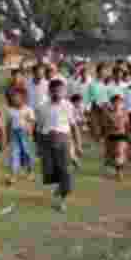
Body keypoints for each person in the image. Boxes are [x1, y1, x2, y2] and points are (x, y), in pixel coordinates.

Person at [35, 80, 76, 212]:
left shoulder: (68, 105)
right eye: (55, 90)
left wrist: (77, 145)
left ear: (64, 91)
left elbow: (73, 126)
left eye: (61, 90)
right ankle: (60, 187)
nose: (58, 93)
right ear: (50, 91)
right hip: (47, 141)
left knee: (64, 170)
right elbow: (39, 127)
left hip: (63, 140)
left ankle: (63, 200)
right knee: (49, 171)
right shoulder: (42, 107)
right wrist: (38, 146)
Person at [5, 89, 35, 183]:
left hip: (25, 134)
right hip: (14, 134)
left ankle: (30, 172)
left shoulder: (28, 109)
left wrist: (30, 130)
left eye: (17, 97)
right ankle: (13, 175)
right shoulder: (10, 111)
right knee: (14, 154)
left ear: (23, 98)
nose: (15, 99)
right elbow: (8, 124)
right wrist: (7, 137)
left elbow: (32, 121)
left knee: (27, 153)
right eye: (13, 97)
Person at [108, 94, 131, 181]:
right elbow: (107, 125)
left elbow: (128, 125)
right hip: (112, 135)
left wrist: (129, 135)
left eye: (119, 102)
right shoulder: (110, 112)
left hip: (122, 135)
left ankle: (120, 172)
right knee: (115, 155)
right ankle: (118, 170)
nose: (117, 103)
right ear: (112, 103)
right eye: (115, 102)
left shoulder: (125, 112)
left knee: (119, 152)